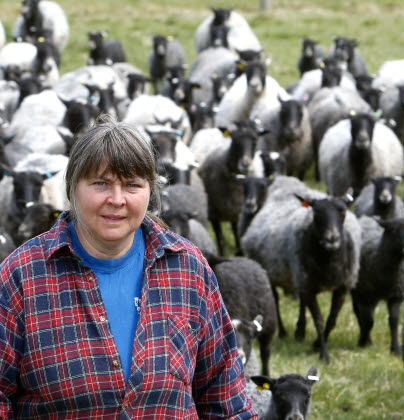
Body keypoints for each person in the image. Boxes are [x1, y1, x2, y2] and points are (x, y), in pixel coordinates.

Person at [0, 118, 257, 419]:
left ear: (150, 192)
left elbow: (225, 398)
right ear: (72, 187)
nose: (117, 200)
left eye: (132, 185)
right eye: (101, 183)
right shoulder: (22, 277)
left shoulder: (188, 270)